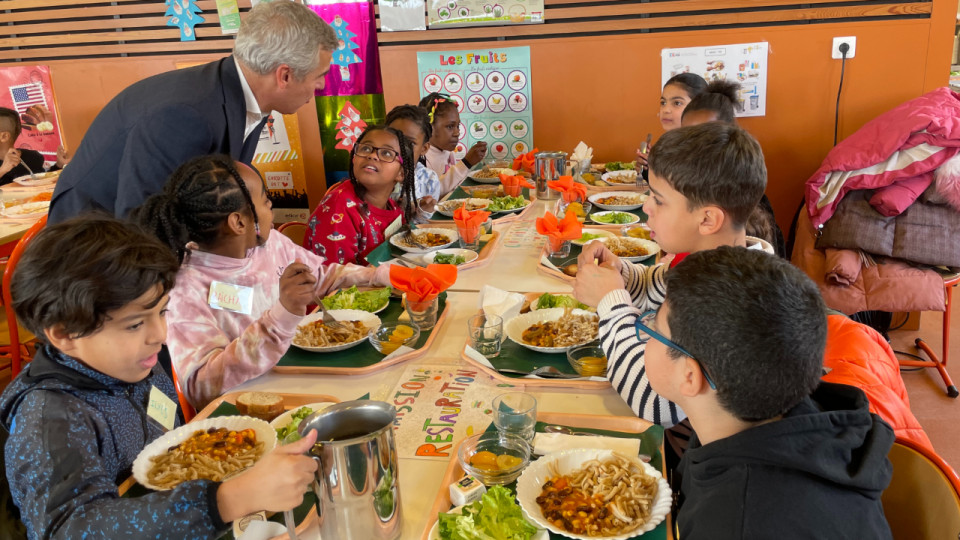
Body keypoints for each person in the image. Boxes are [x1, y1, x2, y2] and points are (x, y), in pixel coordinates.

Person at [0, 215, 319, 539]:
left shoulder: (134, 366)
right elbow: (71, 528)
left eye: (163, 312)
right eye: (135, 324)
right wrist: (226, 500)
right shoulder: (48, 420)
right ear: (65, 334)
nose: (161, 335)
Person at [648, 247, 894, 538]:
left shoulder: (734, 523)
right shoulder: (769, 417)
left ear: (690, 375)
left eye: (652, 327)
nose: (646, 334)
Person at [132, 155, 390, 409]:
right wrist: (281, 316)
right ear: (239, 222)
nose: (271, 207)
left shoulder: (270, 243)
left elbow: (321, 277)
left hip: (306, 374)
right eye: (265, 201)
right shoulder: (187, 290)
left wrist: (376, 275)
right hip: (255, 408)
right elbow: (201, 388)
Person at [48, 1, 338, 223]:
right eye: (320, 75)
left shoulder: (245, 94)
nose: (322, 85)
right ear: (284, 75)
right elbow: (142, 217)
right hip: (95, 245)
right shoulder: (187, 113)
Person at [573, 122, 773, 429]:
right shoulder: (714, 259)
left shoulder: (732, 301)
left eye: (658, 199)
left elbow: (654, 403)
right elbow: (657, 286)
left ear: (707, 219)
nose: (646, 206)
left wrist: (610, 303)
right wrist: (620, 273)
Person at [679, 80, 787, 258]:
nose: (695, 147)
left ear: (729, 136)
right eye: (686, 137)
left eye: (707, 136)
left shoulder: (746, 207)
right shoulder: (691, 180)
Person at [302, 126, 417, 264]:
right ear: (354, 158)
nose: (372, 155)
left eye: (386, 153)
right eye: (366, 148)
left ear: (401, 174)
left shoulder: (392, 207)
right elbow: (337, 277)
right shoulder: (339, 207)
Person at [635, 73, 707, 173]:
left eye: (677, 103)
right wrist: (648, 169)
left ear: (699, 108)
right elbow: (665, 185)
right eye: (663, 103)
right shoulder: (669, 145)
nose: (666, 110)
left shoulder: (706, 151)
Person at [419, 93, 487, 197]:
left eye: (457, 126)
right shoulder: (422, 158)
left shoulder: (446, 151)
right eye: (450, 127)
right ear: (429, 127)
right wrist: (466, 163)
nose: (457, 132)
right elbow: (433, 192)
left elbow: (453, 185)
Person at [385, 104, 439, 222]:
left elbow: (425, 224)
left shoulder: (429, 179)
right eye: (394, 139)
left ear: (424, 148)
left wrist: (423, 210)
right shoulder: (378, 177)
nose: (400, 148)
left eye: (410, 143)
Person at [0, 107, 69, 186]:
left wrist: (59, 165)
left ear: (4, 136)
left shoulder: (33, 157)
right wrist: (3, 170)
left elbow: (43, 181)